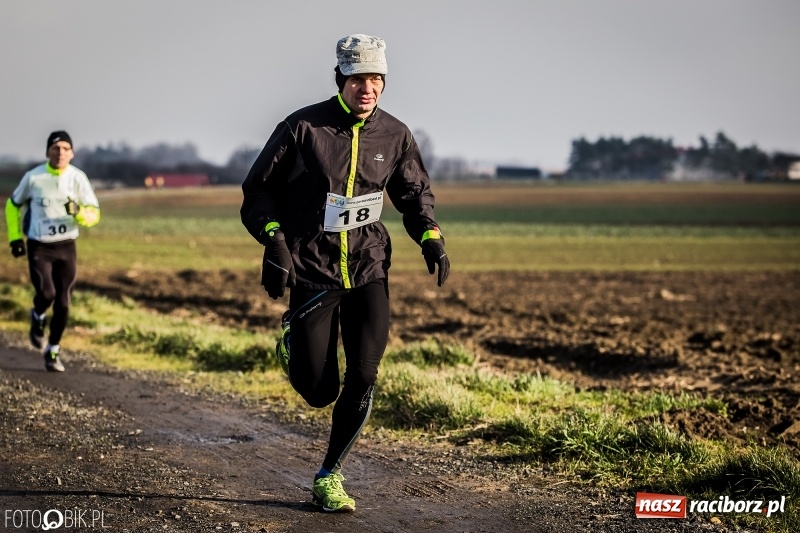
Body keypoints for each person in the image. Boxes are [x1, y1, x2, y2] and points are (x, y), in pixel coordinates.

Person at [241, 34, 450, 512]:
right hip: (313, 270)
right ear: (341, 78)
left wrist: (430, 236)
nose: (368, 87)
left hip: (368, 267)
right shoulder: (302, 128)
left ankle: (329, 474)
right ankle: (296, 339)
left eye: (377, 78)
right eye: (359, 78)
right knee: (319, 391)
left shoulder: (395, 134)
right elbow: (258, 191)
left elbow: (413, 194)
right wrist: (273, 238)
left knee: (364, 372)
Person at [5, 130, 100, 372]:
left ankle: (53, 350)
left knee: (64, 303)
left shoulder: (78, 178)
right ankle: (37, 316)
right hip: (40, 246)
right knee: (46, 293)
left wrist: (78, 212)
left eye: (65, 149)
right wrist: (15, 237)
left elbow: (94, 214)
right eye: (56, 149)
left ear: (72, 153)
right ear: (47, 151)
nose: (60, 153)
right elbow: (12, 204)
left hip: (66, 246)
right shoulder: (34, 178)